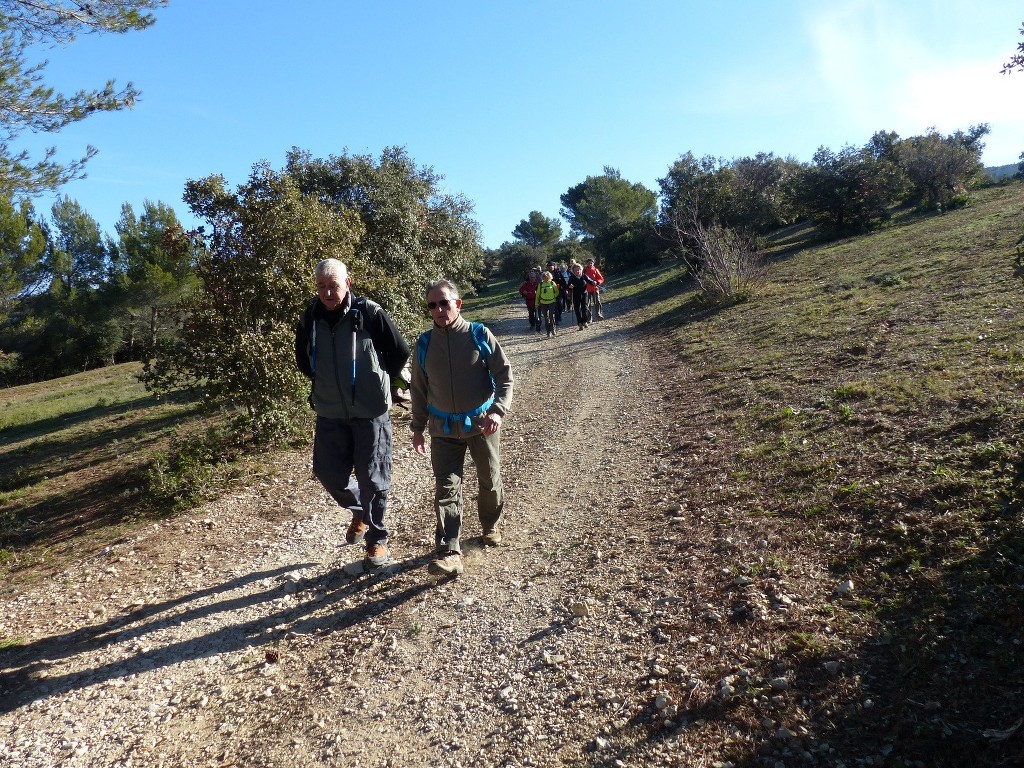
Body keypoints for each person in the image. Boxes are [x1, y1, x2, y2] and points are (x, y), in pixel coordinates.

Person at [295, 258, 410, 571]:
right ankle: (359, 510)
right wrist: (328, 384)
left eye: (334, 285)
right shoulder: (310, 316)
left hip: (370, 411)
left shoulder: (369, 312)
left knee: (372, 477)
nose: (328, 292)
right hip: (330, 410)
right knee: (327, 472)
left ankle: (377, 540)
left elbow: (399, 350)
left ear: (347, 283)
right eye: (322, 286)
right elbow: (303, 360)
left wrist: (381, 380)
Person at [410, 279, 514, 576]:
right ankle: (449, 551)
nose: (439, 309)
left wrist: (498, 411)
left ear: (458, 304)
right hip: (442, 428)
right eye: (433, 305)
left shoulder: (480, 334)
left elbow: (504, 376)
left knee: (489, 479)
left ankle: (490, 524)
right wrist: (418, 427)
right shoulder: (424, 343)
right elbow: (418, 389)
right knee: (446, 487)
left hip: (482, 425)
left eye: (444, 302)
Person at [567, 262, 597, 330]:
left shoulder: (583, 275)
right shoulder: (572, 278)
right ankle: (580, 323)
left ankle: (585, 321)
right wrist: (570, 286)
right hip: (575, 295)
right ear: (573, 271)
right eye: (576, 270)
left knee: (585, 308)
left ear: (581, 269)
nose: (578, 271)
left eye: (579, 270)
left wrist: (593, 282)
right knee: (577, 309)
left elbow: (589, 280)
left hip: (584, 294)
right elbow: (568, 286)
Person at [536, 270, 560, 337]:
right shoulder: (541, 284)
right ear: (543, 277)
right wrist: (536, 303)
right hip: (543, 303)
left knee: (551, 316)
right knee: (546, 318)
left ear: (550, 277)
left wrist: (553, 296)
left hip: (552, 302)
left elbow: (557, 292)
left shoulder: (552, 283)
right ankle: (548, 332)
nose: (546, 278)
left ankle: (553, 329)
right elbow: (538, 294)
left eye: (548, 276)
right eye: (545, 277)